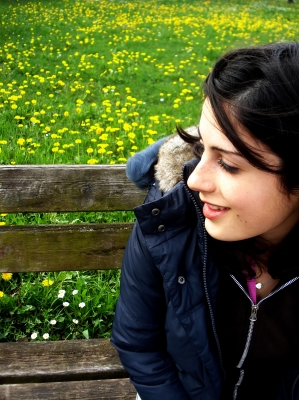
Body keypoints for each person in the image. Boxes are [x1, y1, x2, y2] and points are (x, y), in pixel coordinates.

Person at [111, 42, 299, 400]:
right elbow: (138, 342)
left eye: (228, 164)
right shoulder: (170, 217)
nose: (195, 181)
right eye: (201, 149)